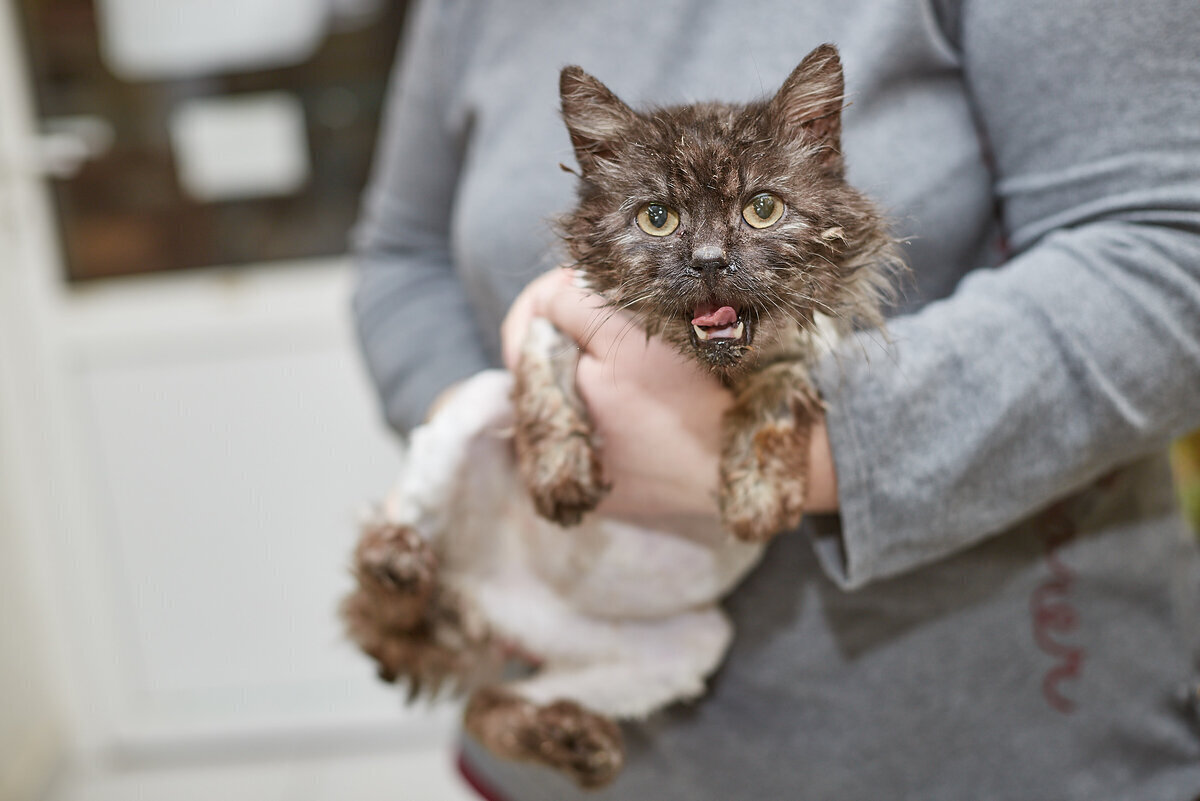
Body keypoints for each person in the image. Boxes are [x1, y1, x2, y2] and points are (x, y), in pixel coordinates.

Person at [351, 0, 1200, 797]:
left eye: (759, 209)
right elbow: (400, 257)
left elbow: (1170, 255)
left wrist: (799, 445)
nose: (713, 254)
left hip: (989, 749)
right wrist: (496, 460)